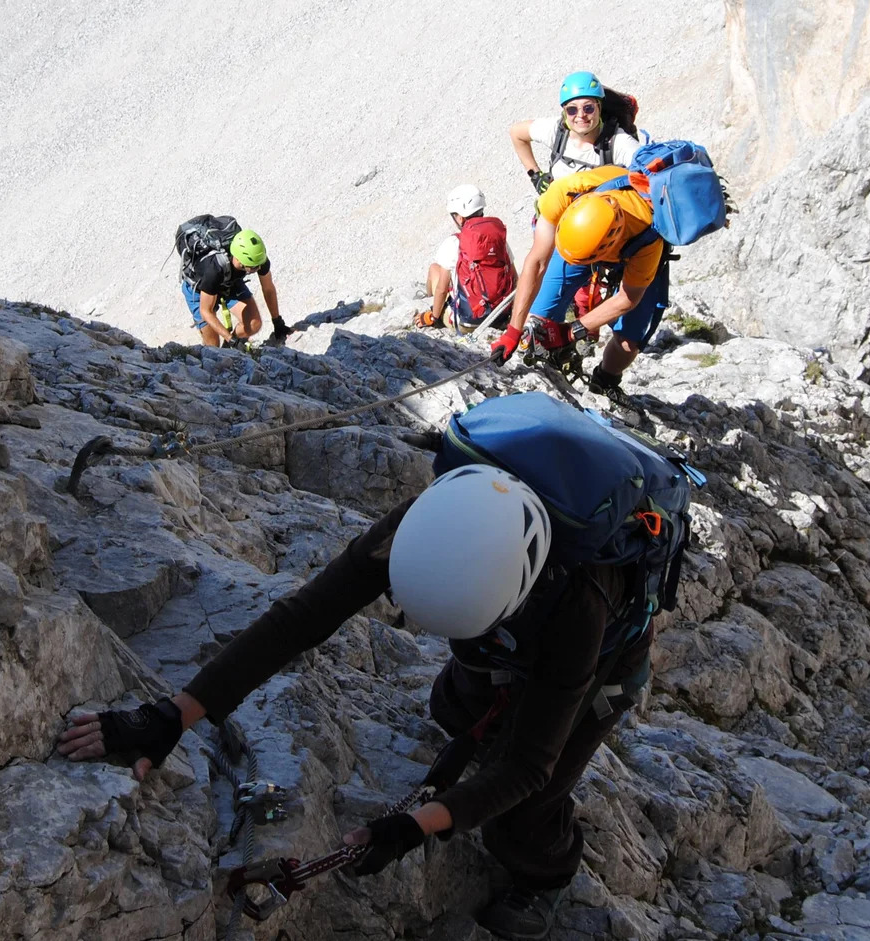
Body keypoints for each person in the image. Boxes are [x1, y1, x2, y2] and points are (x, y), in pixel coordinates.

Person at [57, 393, 691, 940]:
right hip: (507, 633)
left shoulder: (581, 603)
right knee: (456, 709)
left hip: (606, 661)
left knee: (520, 810)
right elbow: (302, 618)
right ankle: (491, 698)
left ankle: (549, 871)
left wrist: (414, 827)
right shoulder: (427, 522)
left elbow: (529, 766)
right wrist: (172, 715)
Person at [487, 165, 669, 394]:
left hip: (632, 248)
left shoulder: (648, 238)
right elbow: (537, 262)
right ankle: (553, 361)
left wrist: (571, 331)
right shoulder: (562, 193)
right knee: (539, 317)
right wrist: (514, 330)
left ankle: (606, 380)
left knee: (628, 340)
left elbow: (627, 298)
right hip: (578, 244)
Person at [509, 72, 642, 197]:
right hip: (563, 208)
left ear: (599, 107)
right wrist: (535, 175)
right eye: (572, 110)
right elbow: (517, 133)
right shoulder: (557, 132)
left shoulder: (617, 141)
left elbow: (646, 169)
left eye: (588, 108)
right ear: (565, 111)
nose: (581, 115)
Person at [174, 214, 289, 348]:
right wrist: (230, 338)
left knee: (253, 324)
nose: (258, 269)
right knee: (213, 346)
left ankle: (228, 348)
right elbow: (206, 311)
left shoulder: (257, 258)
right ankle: (225, 348)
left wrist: (277, 322)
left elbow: (268, 288)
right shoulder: (214, 269)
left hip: (229, 281)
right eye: (253, 268)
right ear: (239, 260)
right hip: (199, 289)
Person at [418, 184, 516, 331]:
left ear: (460, 217)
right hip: (499, 317)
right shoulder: (498, 239)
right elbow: (515, 279)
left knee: (434, 269)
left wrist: (433, 317)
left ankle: (434, 310)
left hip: (468, 322)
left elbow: (441, 289)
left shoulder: (453, 242)